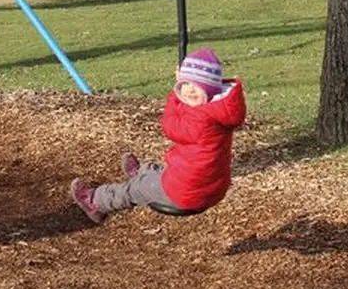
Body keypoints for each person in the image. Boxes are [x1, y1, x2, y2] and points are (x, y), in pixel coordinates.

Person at [70, 48, 246, 224]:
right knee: (170, 171)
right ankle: (143, 172)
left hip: (186, 193)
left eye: (198, 86)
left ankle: (96, 202)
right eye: (186, 84)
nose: (190, 90)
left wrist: (175, 96)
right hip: (212, 187)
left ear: (211, 88)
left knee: (137, 189)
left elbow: (169, 126)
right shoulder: (219, 108)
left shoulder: (202, 119)